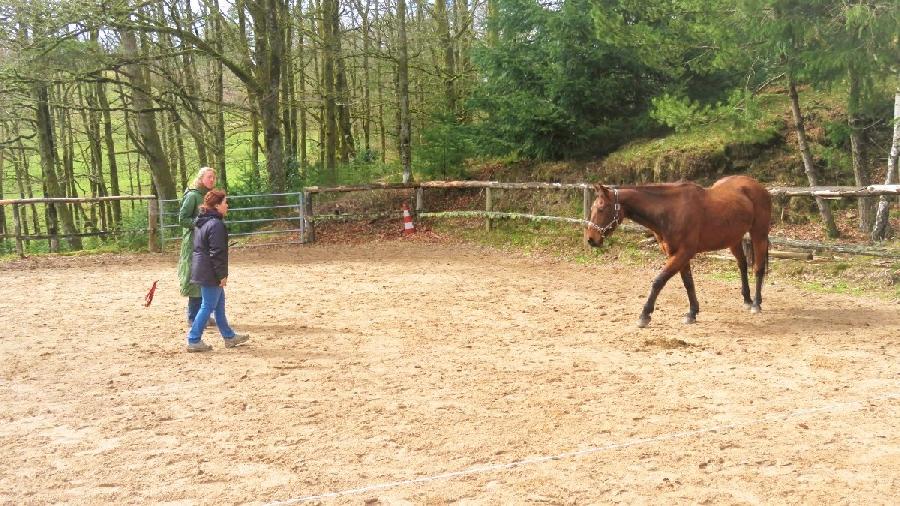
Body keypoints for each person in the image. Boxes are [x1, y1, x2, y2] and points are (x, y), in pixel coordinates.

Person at [185, 189, 250, 352]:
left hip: (203, 269)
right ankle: (193, 339)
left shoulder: (203, 221)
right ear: (216, 205)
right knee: (207, 306)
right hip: (210, 272)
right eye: (225, 202)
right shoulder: (216, 224)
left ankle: (229, 337)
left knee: (219, 306)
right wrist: (222, 275)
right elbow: (217, 253)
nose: (227, 205)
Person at [177, 167, 216, 326]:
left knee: (205, 277)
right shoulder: (193, 196)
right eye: (209, 177)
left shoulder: (208, 196)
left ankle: (203, 315)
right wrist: (199, 224)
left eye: (214, 177)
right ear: (201, 179)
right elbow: (182, 218)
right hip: (193, 242)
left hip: (205, 242)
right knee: (195, 278)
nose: (212, 180)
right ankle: (193, 317)